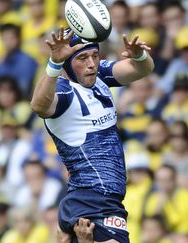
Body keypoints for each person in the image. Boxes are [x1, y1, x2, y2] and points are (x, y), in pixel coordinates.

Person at [30, 25, 154, 243]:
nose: (91, 64)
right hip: (95, 199)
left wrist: (140, 55)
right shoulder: (64, 90)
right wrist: (54, 63)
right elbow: (39, 106)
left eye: (95, 55)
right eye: (82, 58)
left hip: (91, 199)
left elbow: (142, 69)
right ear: (68, 63)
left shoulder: (99, 76)